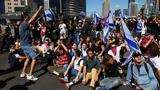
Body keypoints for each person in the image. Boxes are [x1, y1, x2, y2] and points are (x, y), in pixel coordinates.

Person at [19, 6, 43, 81]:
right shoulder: (24, 24)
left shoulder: (22, 25)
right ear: (24, 18)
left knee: (28, 58)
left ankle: (23, 73)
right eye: (27, 17)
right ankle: (30, 75)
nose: (29, 18)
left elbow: (31, 21)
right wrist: (39, 9)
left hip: (23, 44)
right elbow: (33, 18)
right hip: (26, 45)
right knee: (34, 58)